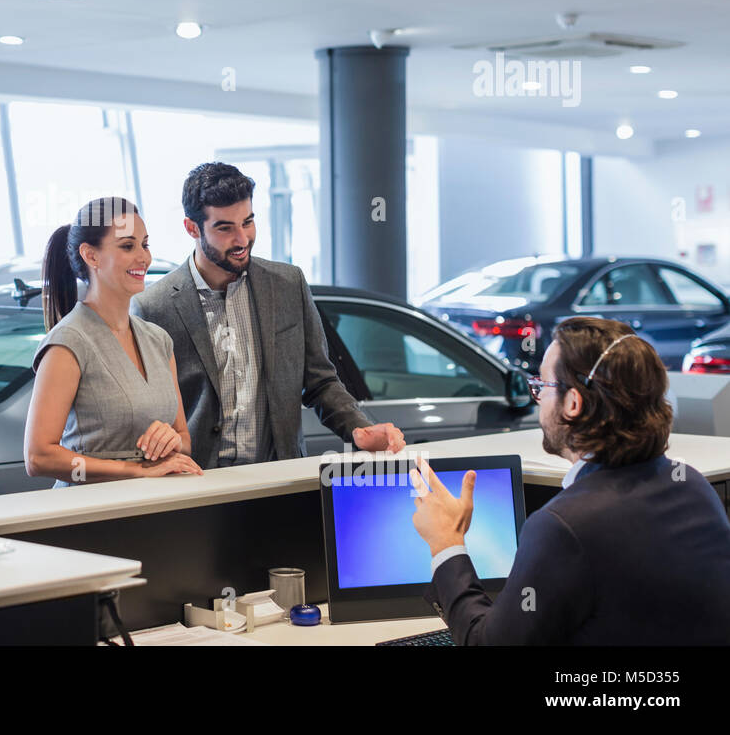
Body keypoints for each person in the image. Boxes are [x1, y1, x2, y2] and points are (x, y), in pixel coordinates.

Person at [411, 316, 730, 644]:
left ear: (573, 403)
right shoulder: (693, 487)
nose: (537, 398)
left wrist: (446, 542)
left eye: (542, 386)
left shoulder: (565, 525)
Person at [131, 162, 404, 468]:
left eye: (247, 222)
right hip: (196, 486)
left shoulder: (288, 285)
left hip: (277, 480)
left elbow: (320, 382)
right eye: (225, 228)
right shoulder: (153, 308)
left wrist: (359, 429)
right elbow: (146, 412)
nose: (242, 239)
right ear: (192, 228)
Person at [24, 196, 203, 487]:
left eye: (144, 244)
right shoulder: (68, 343)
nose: (143, 257)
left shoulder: (158, 340)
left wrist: (172, 441)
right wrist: (135, 470)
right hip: (92, 513)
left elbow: (184, 439)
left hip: (154, 508)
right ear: (91, 256)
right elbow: (38, 457)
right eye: (127, 246)